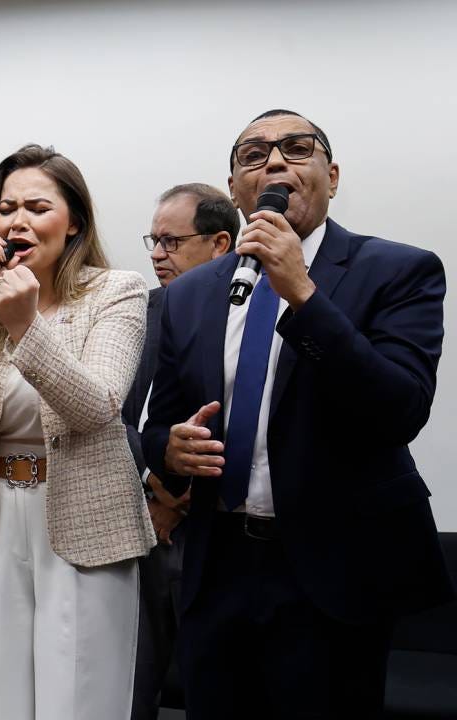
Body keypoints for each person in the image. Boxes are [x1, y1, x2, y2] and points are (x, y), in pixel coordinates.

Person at [141, 109, 452, 718]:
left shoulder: (398, 270)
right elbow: (160, 425)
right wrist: (168, 450)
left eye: (295, 148)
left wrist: (302, 292)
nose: (275, 162)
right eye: (253, 155)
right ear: (235, 190)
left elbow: (399, 410)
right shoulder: (189, 294)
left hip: (334, 571)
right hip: (219, 566)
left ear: (331, 176)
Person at [0, 143, 154, 719]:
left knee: (79, 692)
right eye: (6, 208)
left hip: (82, 510)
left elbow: (97, 406)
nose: (17, 220)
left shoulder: (116, 291)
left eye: (37, 207)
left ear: (74, 221)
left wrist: (26, 326)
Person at [125, 183, 236, 720]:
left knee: (216, 683)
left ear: (220, 244)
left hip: (218, 532)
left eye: (171, 241)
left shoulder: (256, 310)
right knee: (131, 684)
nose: (156, 254)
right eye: (153, 240)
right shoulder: (139, 309)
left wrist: (177, 496)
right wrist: (153, 487)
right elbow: (114, 416)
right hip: (135, 525)